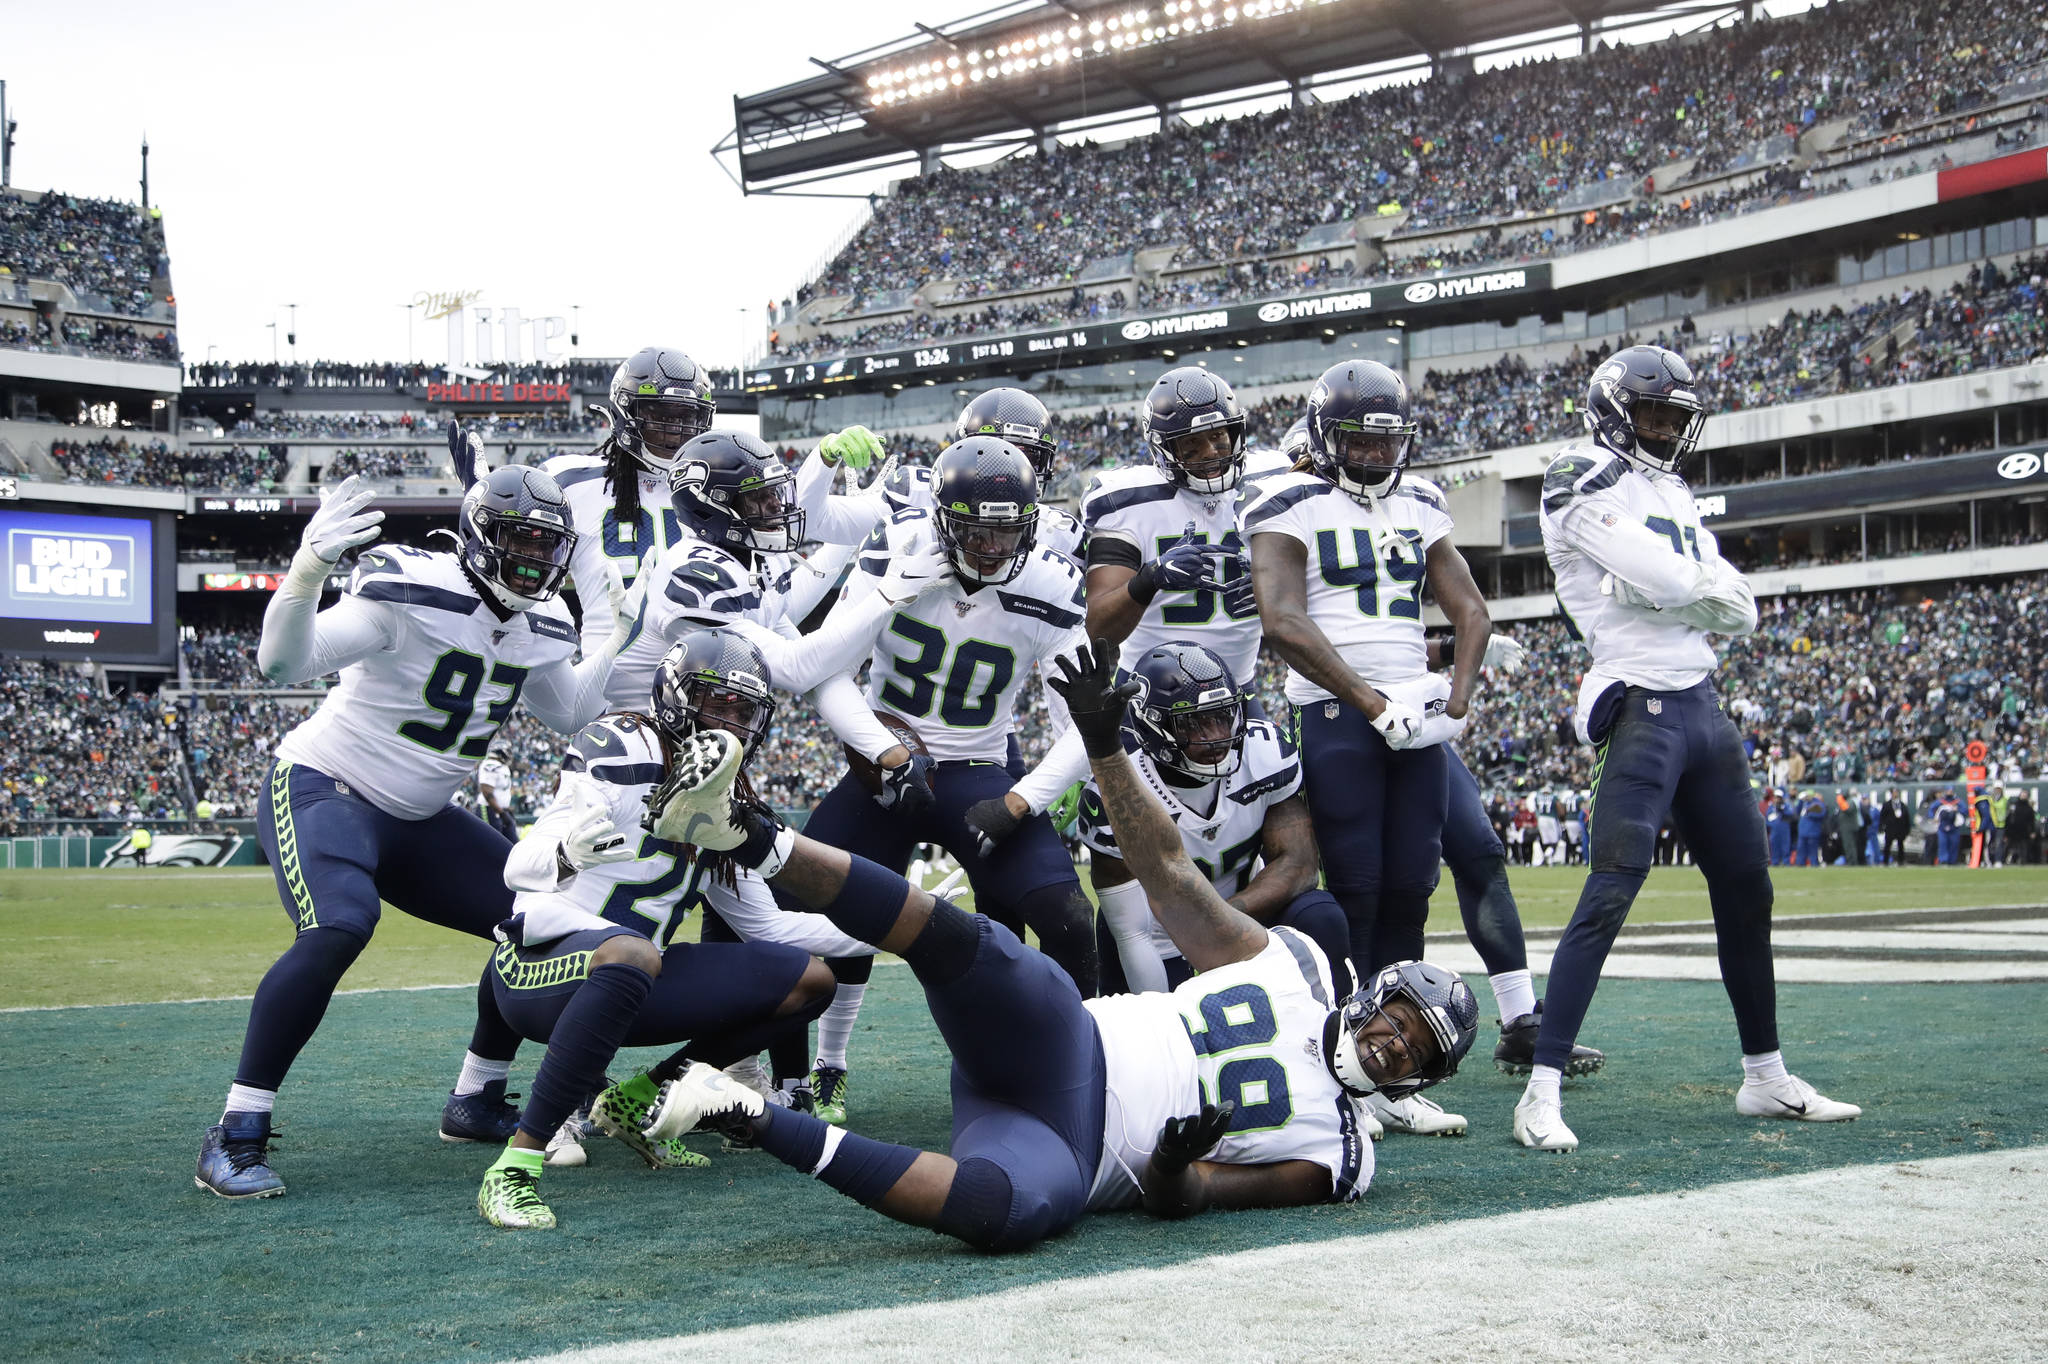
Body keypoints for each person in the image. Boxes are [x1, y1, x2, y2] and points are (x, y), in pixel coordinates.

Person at [632, 639, 1480, 1250]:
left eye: (1418, 1053)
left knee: (1008, 1215)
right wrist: (1105, 748)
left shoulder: (1342, 1154)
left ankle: (741, 1112)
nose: (1397, 1044)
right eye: (1405, 1019)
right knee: (974, 944)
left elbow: (1189, 1200)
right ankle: (745, 834)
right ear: (1377, 994)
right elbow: (1174, 883)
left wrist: (1181, 1164)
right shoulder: (1293, 964)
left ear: (1421, 1080)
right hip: (1071, 1039)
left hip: (1075, 1149)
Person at [197, 467, 639, 1199]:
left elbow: (567, 712)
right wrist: (307, 571)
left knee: (534, 921)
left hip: (421, 817)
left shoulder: (541, 621)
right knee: (339, 925)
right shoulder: (410, 590)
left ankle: (476, 1099)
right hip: (326, 785)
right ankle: (236, 1132)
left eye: (547, 543)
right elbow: (281, 661)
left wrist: (610, 633)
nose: (534, 557)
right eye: (520, 538)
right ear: (478, 537)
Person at [1518, 344, 1858, 1152]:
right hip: (1640, 703)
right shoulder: (1578, 472)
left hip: (1704, 709)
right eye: (1654, 415)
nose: (1667, 431)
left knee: (1748, 890)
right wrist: (1691, 591)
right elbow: (1677, 584)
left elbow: (1731, 603)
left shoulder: (1671, 488)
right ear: (1613, 409)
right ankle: (1540, 1091)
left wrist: (1689, 590)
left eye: (1677, 419)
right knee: (1611, 889)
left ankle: (1766, 1077)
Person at [473, 631, 846, 1228]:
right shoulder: (622, 745)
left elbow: (771, 925)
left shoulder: (727, 798)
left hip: (634, 979)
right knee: (632, 951)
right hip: (540, 971)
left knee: (809, 980)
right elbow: (520, 867)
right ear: (674, 695)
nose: (729, 722)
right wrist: (566, 854)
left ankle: (637, 1099)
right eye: (715, 701)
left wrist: (906, 925)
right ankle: (515, 1168)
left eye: (743, 711)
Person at [799, 436, 1101, 999]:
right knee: (789, 906)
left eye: (1008, 531)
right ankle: (794, 1078)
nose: (991, 549)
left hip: (977, 769)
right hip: (880, 769)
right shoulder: (898, 545)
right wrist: (883, 750)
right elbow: (826, 668)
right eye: (975, 531)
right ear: (942, 521)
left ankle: (1090, 1067)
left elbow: (1088, 720)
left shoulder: (1051, 582)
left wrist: (1021, 800)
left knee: (1069, 918)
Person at [1244, 359, 1490, 978]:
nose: (1380, 452)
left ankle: (1401, 1027)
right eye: (1363, 438)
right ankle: (1349, 1029)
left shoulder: (1421, 501)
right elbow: (1281, 621)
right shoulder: (1289, 501)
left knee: (1412, 883)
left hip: (1413, 710)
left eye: (1390, 439)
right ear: (1326, 436)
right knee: (1356, 881)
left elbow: (1473, 613)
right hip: (1335, 713)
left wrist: (1454, 704)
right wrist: (1371, 702)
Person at [455, 347, 715, 694]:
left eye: (686, 417)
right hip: (606, 690)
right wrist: (485, 505)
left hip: (702, 691)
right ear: (626, 411)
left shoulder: (712, 486)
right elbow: (510, 553)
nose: (674, 430)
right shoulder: (570, 479)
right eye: (659, 415)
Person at [1080, 368, 1290, 693]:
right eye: (1191, 444)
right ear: (1163, 449)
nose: (1209, 451)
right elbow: (1096, 628)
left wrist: (1275, 585)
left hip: (1238, 688)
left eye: (1218, 436)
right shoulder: (1126, 502)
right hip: (1148, 691)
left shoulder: (1274, 480)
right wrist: (1151, 577)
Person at [794, 387, 1085, 564]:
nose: (1013, 466)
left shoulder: (1060, 533)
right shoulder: (917, 494)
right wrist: (824, 458)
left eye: (1029, 455)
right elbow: (810, 520)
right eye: (1000, 450)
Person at [476, 745, 518, 841]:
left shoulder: (502, 767)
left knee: (512, 844)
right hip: (489, 810)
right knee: (492, 842)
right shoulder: (490, 764)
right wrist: (501, 812)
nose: (510, 755)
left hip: (501, 811)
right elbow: (486, 791)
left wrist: (505, 809)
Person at [1795, 790, 1827, 867]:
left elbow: (1821, 815)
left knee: (1813, 850)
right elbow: (1797, 811)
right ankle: (1800, 864)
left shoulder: (1818, 804)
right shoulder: (1804, 803)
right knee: (1801, 849)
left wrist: (1809, 813)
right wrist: (1799, 801)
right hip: (1803, 831)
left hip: (1813, 831)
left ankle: (1814, 864)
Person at [1880, 788, 1911, 865]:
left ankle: (1901, 861)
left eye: (1896, 792)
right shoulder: (1887, 805)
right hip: (1890, 829)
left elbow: (1907, 818)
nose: (1895, 794)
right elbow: (1882, 817)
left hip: (1900, 829)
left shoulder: (1903, 805)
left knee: (1900, 845)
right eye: (1894, 792)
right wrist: (1882, 827)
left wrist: (1907, 829)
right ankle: (1885, 861)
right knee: (1887, 846)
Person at [1763, 790, 1793, 866]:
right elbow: (1767, 818)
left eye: (1779, 797)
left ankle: (1786, 862)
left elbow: (1791, 813)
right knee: (1774, 847)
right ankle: (1775, 862)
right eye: (1776, 797)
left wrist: (1782, 810)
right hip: (1774, 830)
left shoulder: (1786, 805)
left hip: (1784, 829)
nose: (1777, 799)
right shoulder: (1771, 807)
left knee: (1785, 846)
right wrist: (1771, 824)